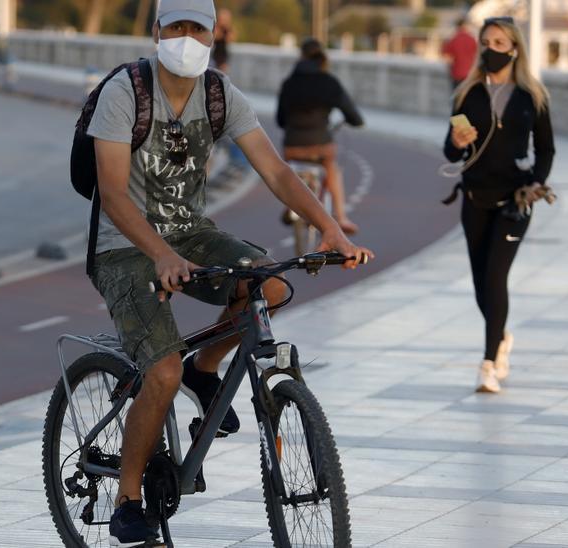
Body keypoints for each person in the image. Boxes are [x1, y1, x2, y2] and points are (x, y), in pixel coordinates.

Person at [86, 1, 372, 544]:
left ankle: (207, 366)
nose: (187, 38)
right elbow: (114, 194)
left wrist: (329, 228)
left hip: (190, 232)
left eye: (198, 28)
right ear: (157, 32)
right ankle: (126, 498)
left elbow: (276, 169)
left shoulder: (218, 94)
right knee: (162, 372)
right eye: (177, 27)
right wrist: (160, 254)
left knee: (268, 281)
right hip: (123, 247)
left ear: (214, 35)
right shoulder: (124, 93)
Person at [443, 17, 555, 394]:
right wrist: (458, 143)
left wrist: (537, 181)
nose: (492, 49)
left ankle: (489, 362)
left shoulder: (531, 96)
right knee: (479, 284)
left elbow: (546, 148)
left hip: (514, 201)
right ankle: (501, 334)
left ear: (515, 48)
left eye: (500, 42)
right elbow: (449, 149)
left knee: (495, 277)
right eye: (486, 42)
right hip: (474, 198)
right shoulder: (467, 93)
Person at [276, 38, 365, 235]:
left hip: (292, 145)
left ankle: (289, 206)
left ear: (301, 56)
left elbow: (280, 119)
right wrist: (355, 121)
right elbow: (353, 114)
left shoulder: (289, 83)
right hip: (321, 145)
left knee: (286, 170)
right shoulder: (329, 82)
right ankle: (341, 218)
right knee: (332, 169)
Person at [442, 17, 478, 90]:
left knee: (457, 98)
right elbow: (477, 55)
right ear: (465, 26)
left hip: (456, 73)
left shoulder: (453, 39)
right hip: (469, 74)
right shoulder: (472, 39)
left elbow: (446, 57)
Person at [210, 8, 233, 73]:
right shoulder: (216, 28)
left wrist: (227, 29)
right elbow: (216, 36)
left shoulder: (227, 29)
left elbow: (230, 39)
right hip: (214, 56)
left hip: (223, 57)